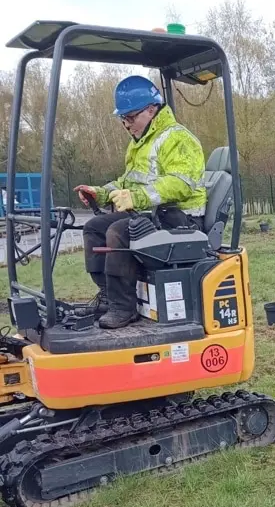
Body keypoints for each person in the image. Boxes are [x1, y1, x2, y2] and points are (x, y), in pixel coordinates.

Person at [75, 76, 206, 329]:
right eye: (122, 119)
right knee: (94, 227)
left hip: (182, 218)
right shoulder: (139, 143)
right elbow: (128, 182)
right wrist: (100, 192)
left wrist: (137, 198)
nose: (126, 124)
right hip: (153, 215)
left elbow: (181, 183)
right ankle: (108, 295)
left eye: (130, 117)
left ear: (151, 109)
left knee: (118, 232)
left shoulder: (178, 139)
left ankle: (124, 308)